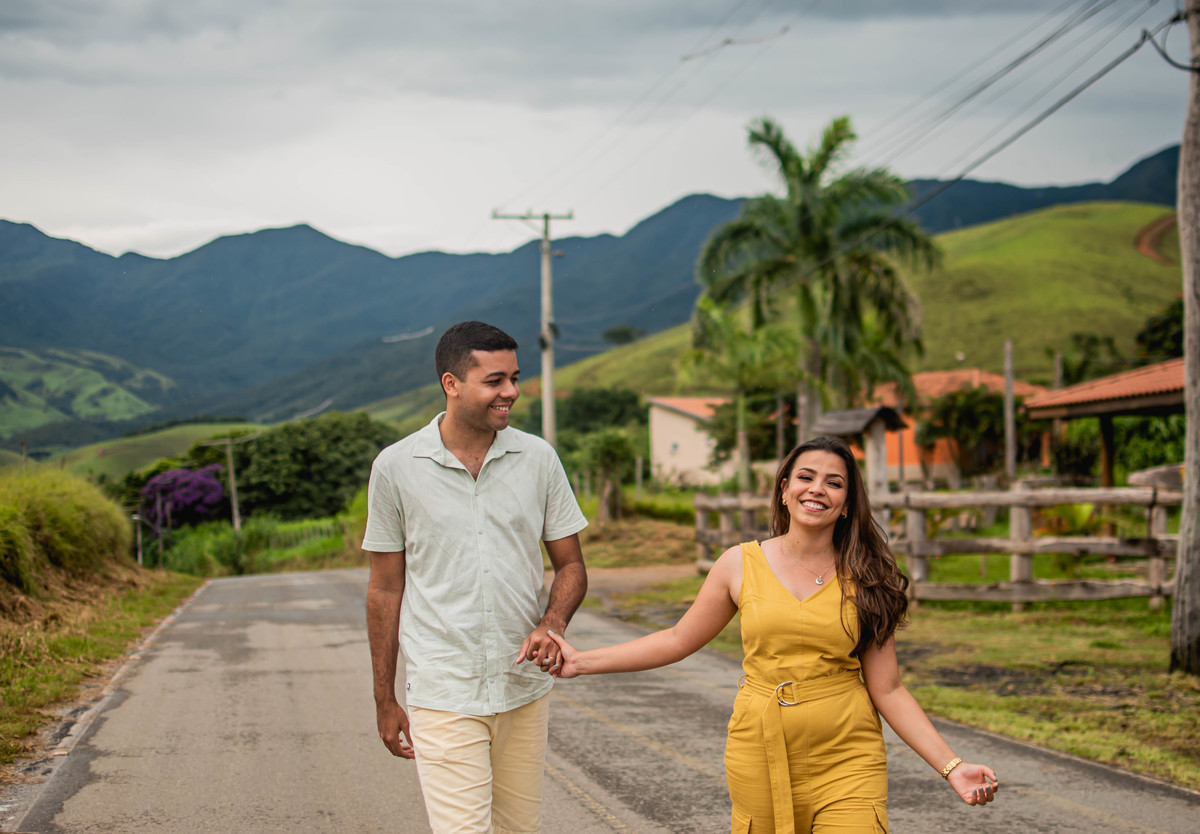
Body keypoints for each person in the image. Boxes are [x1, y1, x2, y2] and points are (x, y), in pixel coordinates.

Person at [548, 435, 998, 833]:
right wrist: (583, 661)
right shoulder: (739, 564)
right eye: (805, 477)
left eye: (835, 483)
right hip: (758, 749)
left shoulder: (868, 577)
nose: (817, 488)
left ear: (847, 505)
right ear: (784, 490)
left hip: (848, 752)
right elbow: (678, 639)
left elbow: (890, 688)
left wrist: (951, 766)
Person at [364, 320, 588, 834]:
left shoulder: (538, 459)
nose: (511, 392)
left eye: (514, 378)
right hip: (444, 688)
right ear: (452, 384)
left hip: (523, 688)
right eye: (494, 381)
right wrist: (384, 698)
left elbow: (571, 565)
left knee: (518, 829)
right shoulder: (396, 467)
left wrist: (552, 624)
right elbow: (385, 588)